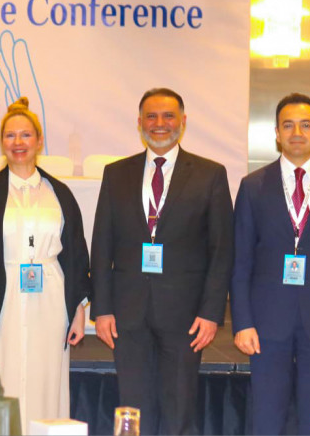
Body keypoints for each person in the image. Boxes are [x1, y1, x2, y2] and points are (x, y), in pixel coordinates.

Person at [90, 87, 233, 435]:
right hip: (128, 313)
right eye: (151, 116)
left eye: (168, 116)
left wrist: (212, 312)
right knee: (133, 407)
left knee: (178, 407)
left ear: (183, 121)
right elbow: (102, 244)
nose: (159, 123)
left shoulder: (210, 174)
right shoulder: (116, 173)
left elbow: (222, 250)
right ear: (139, 122)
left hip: (186, 315)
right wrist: (102, 308)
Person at [0, 98, 90, 430]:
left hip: (51, 300)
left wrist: (79, 309)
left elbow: (75, 255)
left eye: (26, 135)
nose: (18, 142)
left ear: (39, 140)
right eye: (10, 136)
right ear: (2, 142)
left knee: (46, 379)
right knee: (2, 375)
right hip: (2, 299)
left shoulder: (59, 194)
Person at [230, 93, 310, 434]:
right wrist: (242, 322)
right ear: (276, 133)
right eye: (288, 125)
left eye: (305, 125)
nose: (296, 132)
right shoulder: (252, 186)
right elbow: (240, 261)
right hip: (266, 322)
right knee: (267, 416)